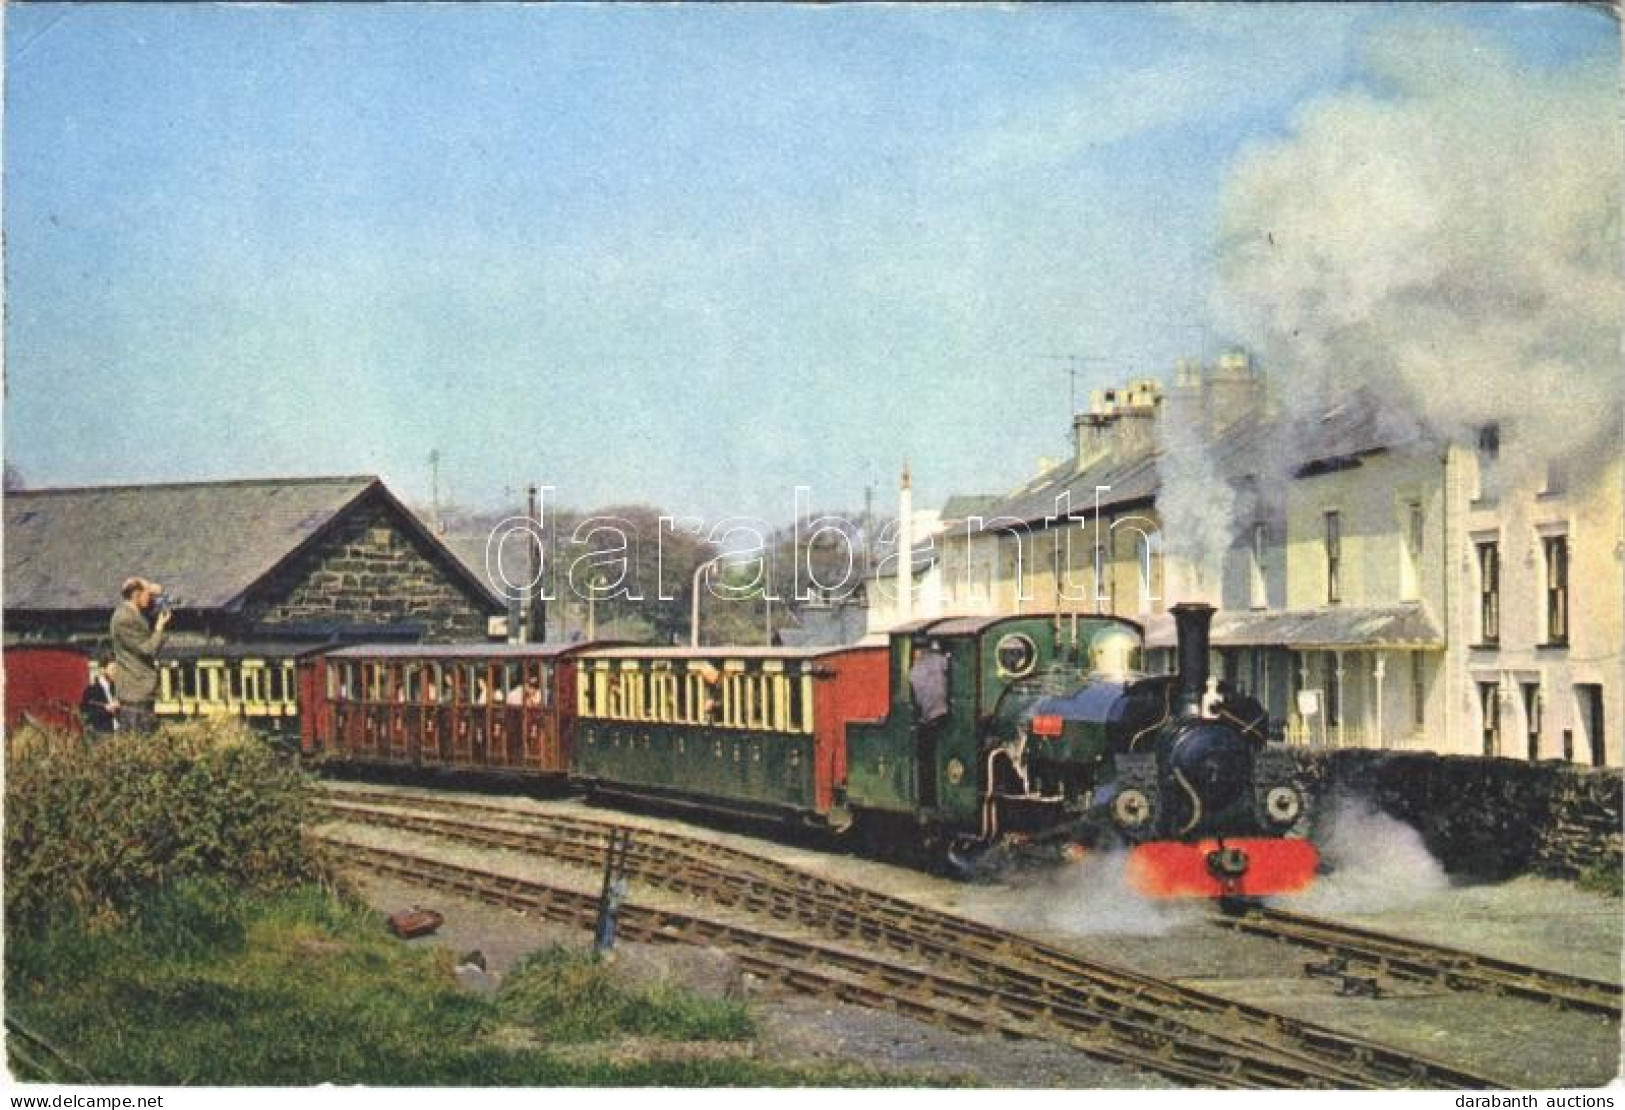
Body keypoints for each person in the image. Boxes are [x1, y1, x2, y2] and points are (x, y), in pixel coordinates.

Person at [109, 577, 171, 732]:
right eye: (148, 595)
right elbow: (146, 649)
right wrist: (159, 629)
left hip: (141, 690)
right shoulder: (124, 618)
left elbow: (151, 612)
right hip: (134, 691)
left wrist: (157, 592)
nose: (151, 600)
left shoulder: (135, 614)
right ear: (136, 594)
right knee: (138, 738)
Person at [80, 655, 121, 735]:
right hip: (102, 734)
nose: (115, 672)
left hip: (118, 732)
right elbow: (87, 716)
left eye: (117, 670)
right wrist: (106, 709)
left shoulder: (116, 688)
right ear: (102, 670)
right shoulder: (91, 690)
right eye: (112, 669)